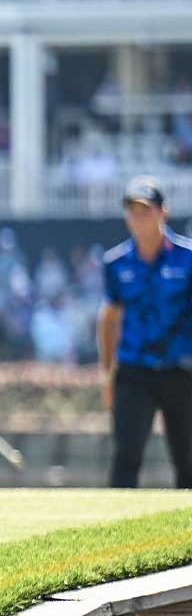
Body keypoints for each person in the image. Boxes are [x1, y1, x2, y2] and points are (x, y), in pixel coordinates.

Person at [97, 177, 192, 488]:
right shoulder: (116, 262)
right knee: (126, 455)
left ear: (163, 212)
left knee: (188, 460)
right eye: (132, 211)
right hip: (134, 370)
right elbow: (109, 317)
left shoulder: (188, 257)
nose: (138, 218)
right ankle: (118, 520)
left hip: (182, 370)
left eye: (145, 211)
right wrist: (108, 372)